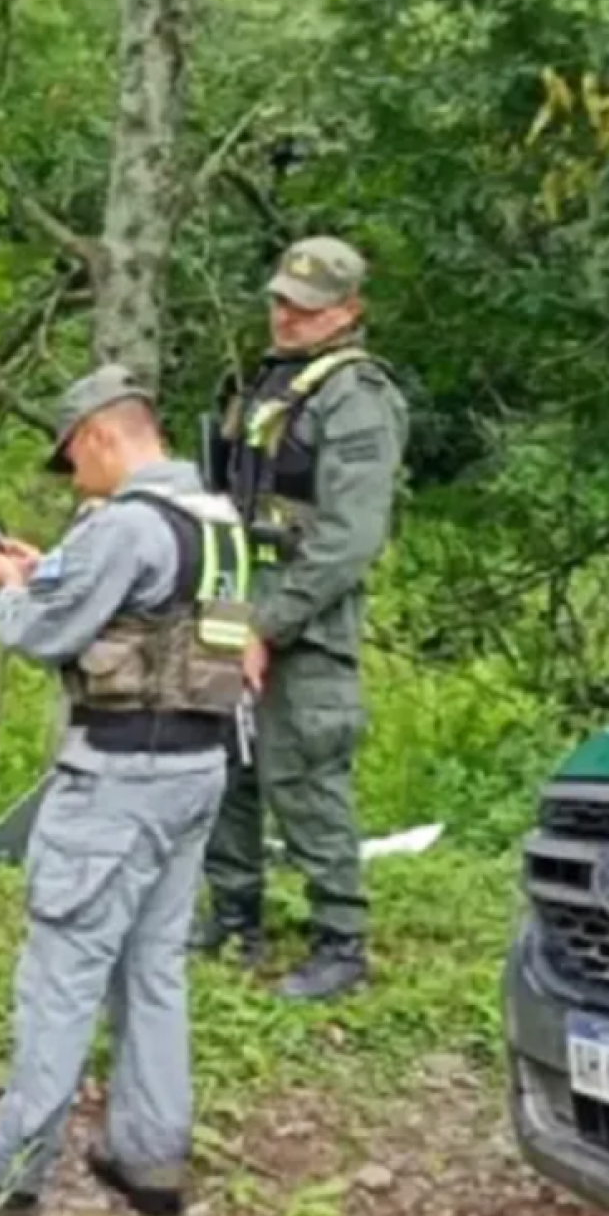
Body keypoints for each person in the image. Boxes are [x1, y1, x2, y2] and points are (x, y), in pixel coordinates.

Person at [0, 364, 247, 1216]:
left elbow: (41, 629)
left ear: (99, 434)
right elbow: (150, 616)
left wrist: (13, 589)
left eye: (74, 461)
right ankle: (150, 1158)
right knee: (154, 966)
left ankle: (9, 1172)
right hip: (198, 771)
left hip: (116, 783)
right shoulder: (220, 523)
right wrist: (51, 566)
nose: (75, 479)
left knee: (62, 973)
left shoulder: (127, 525)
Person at [192, 235, 409, 1001]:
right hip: (234, 598)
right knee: (227, 761)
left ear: (347, 311)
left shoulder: (359, 398)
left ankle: (340, 941)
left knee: (306, 769)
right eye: (281, 300)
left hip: (306, 619)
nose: (286, 316)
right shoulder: (269, 383)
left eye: (306, 307)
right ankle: (235, 915)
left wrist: (270, 623)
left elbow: (352, 535)